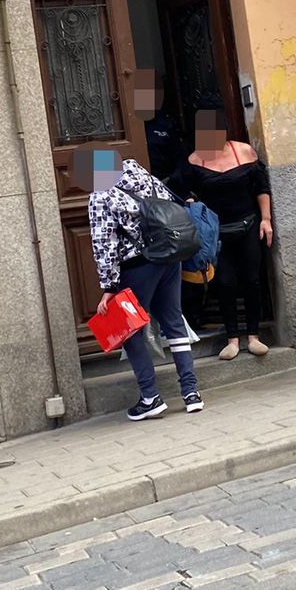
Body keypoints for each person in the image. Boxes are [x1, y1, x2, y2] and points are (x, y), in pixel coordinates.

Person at [78, 146, 202, 420]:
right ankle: (191, 393)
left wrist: (109, 287)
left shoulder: (101, 194)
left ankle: (150, 398)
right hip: (169, 257)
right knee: (174, 322)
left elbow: (104, 243)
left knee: (129, 329)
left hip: (137, 266)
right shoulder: (142, 175)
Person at [169, 109, 273, 361]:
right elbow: (179, 187)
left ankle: (254, 336)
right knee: (224, 283)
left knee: (251, 279)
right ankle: (232, 339)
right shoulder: (194, 160)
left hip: (248, 225)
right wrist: (191, 201)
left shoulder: (244, 151)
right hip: (216, 234)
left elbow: (261, 187)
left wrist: (266, 220)